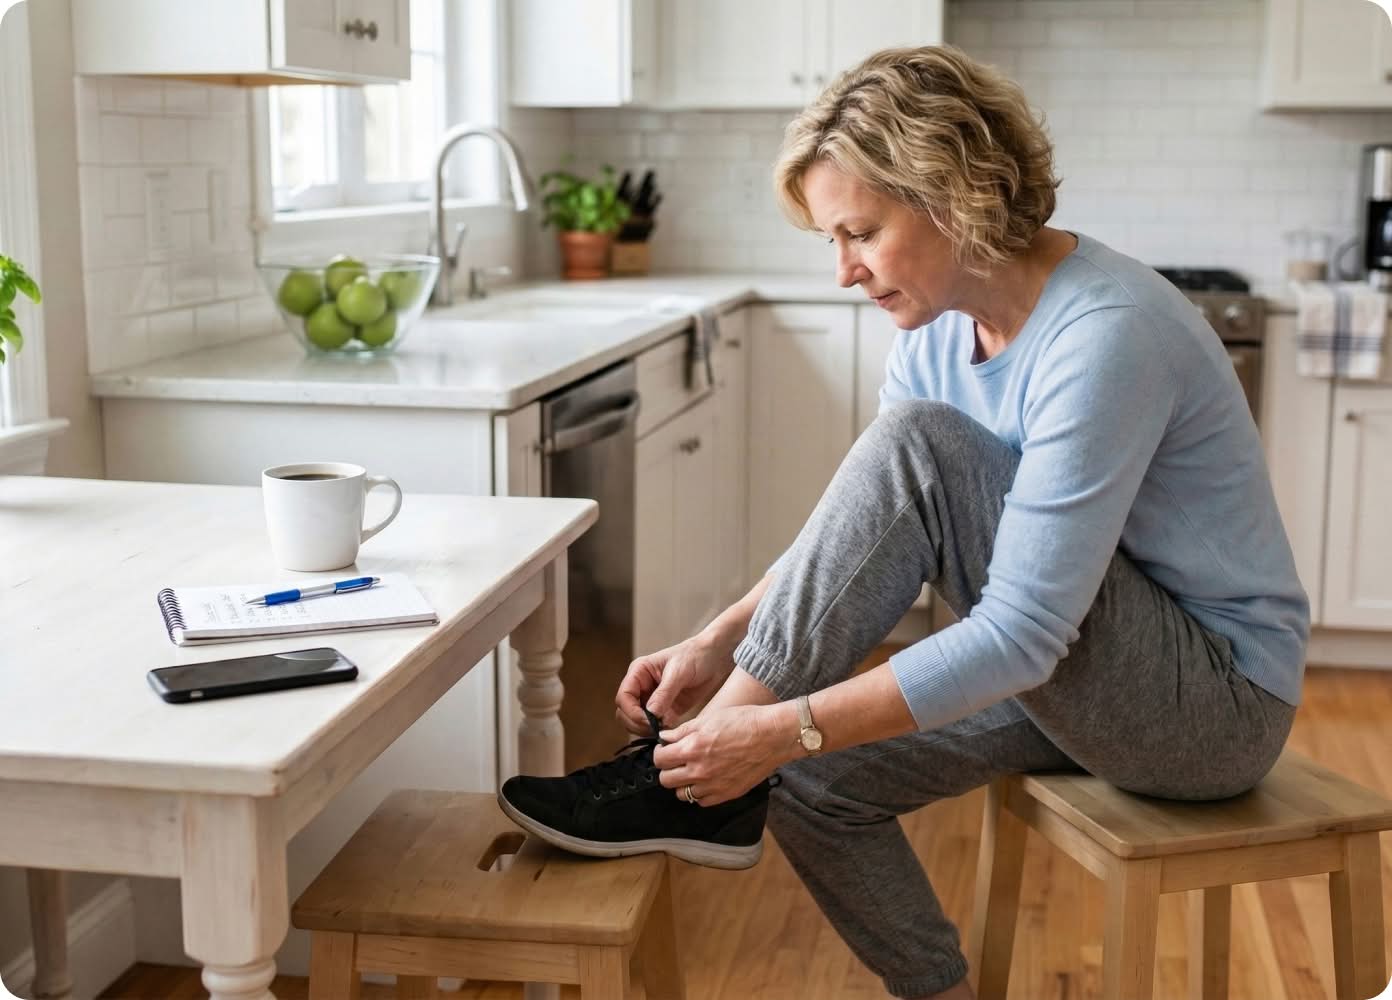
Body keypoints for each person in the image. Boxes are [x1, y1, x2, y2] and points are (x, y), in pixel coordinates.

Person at [501, 44, 1309, 1000]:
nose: (845, 271)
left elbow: (1018, 634)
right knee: (804, 778)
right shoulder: (936, 332)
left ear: (952, 194)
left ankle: (670, 777)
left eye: (861, 233)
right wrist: (722, 641)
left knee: (900, 488)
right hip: (1086, 675)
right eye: (831, 242)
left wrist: (777, 725)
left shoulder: (1105, 335)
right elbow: (862, 531)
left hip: (1211, 708)